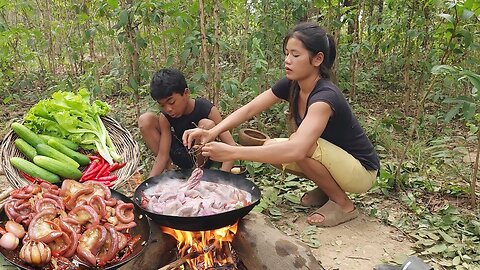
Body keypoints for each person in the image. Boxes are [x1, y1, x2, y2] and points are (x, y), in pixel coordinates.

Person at [183, 22, 380, 227]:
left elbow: (296, 150)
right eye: (286, 53)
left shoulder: (325, 97)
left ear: (317, 59)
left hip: (361, 171)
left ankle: (343, 205)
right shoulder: (293, 84)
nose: (287, 60)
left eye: (295, 55)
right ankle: (328, 190)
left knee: (299, 145)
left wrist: (233, 152)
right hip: (337, 160)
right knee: (273, 147)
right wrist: (212, 132)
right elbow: (251, 109)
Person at [138, 68, 236, 177]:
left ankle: (197, 173)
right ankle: (173, 172)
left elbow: (231, 144)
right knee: (145, 120)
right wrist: (149, 183)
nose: (168, 109)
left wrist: (222, 178)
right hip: (179, 153)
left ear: (186, 93)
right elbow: (162, 155)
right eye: (162, 105)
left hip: (203, 157)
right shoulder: (165, 117)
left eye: (171, 102)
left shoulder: (206, 109)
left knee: (206, 124)